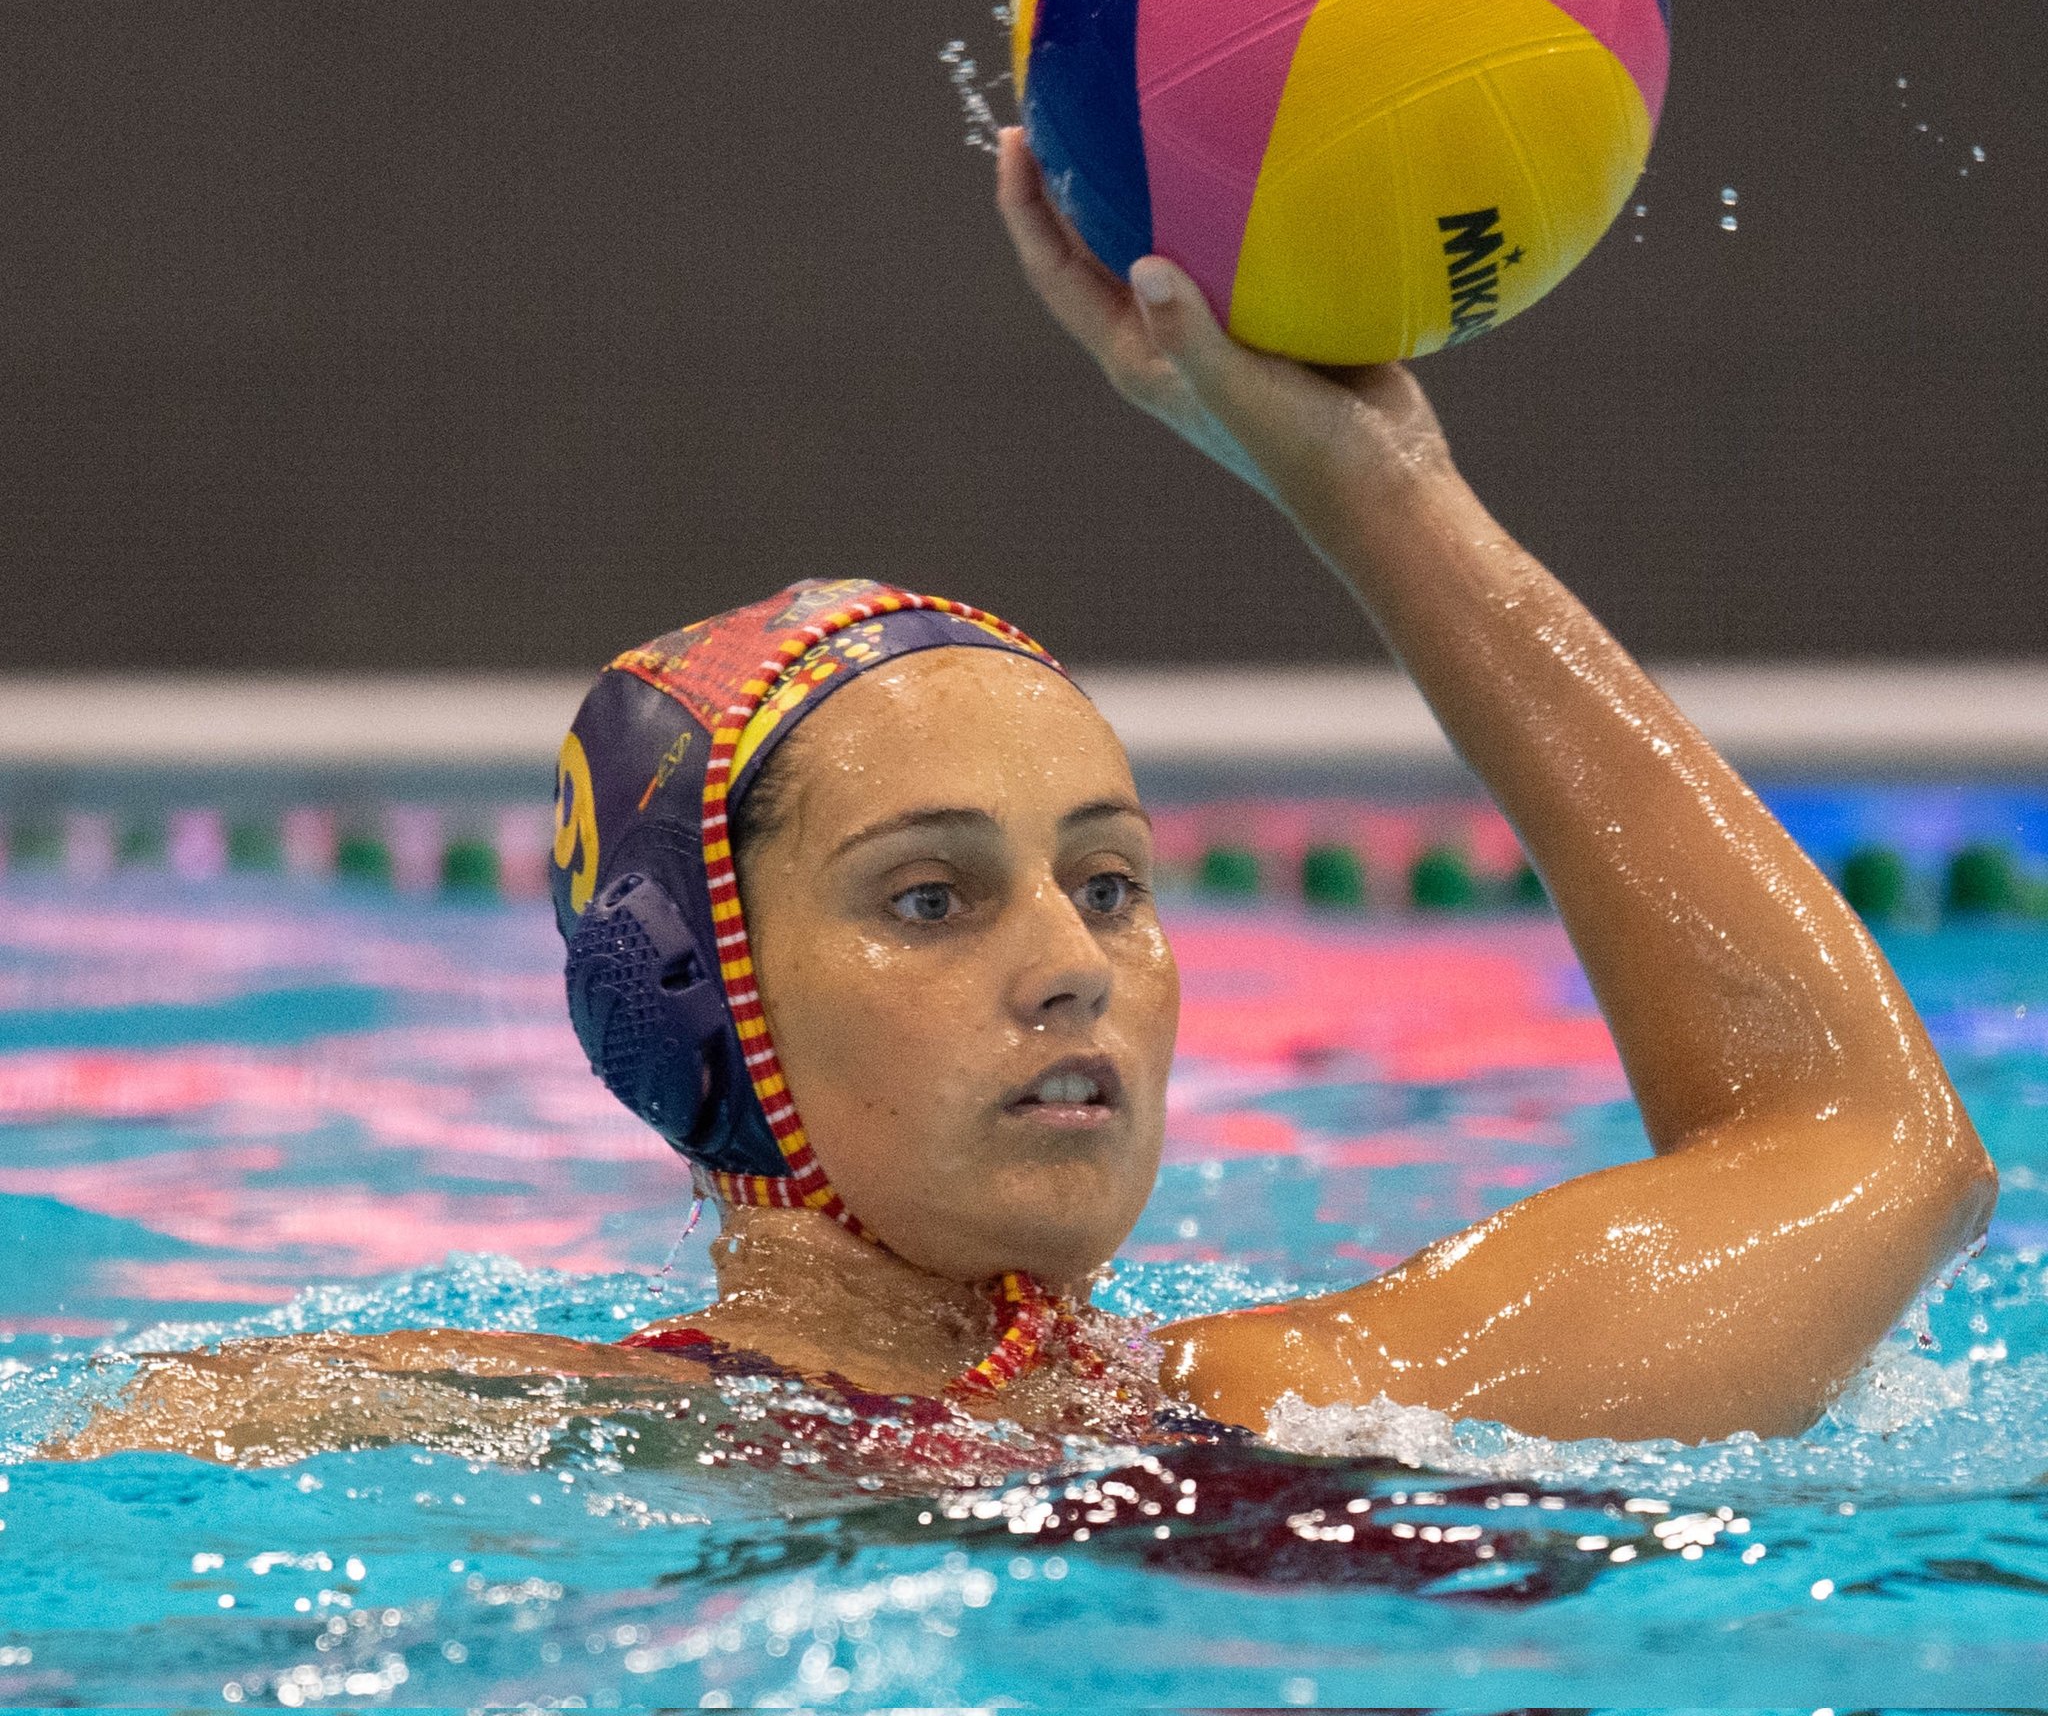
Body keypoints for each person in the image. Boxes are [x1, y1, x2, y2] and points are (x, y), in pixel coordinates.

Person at [59, 130, 1994, 1468]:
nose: (1072, 967)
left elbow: (1883, 1154)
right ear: (704, 1010)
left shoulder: (1296, 1393)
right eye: (931, 897)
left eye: (1113, 885)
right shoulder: (430, 1426)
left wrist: (1374, 483)